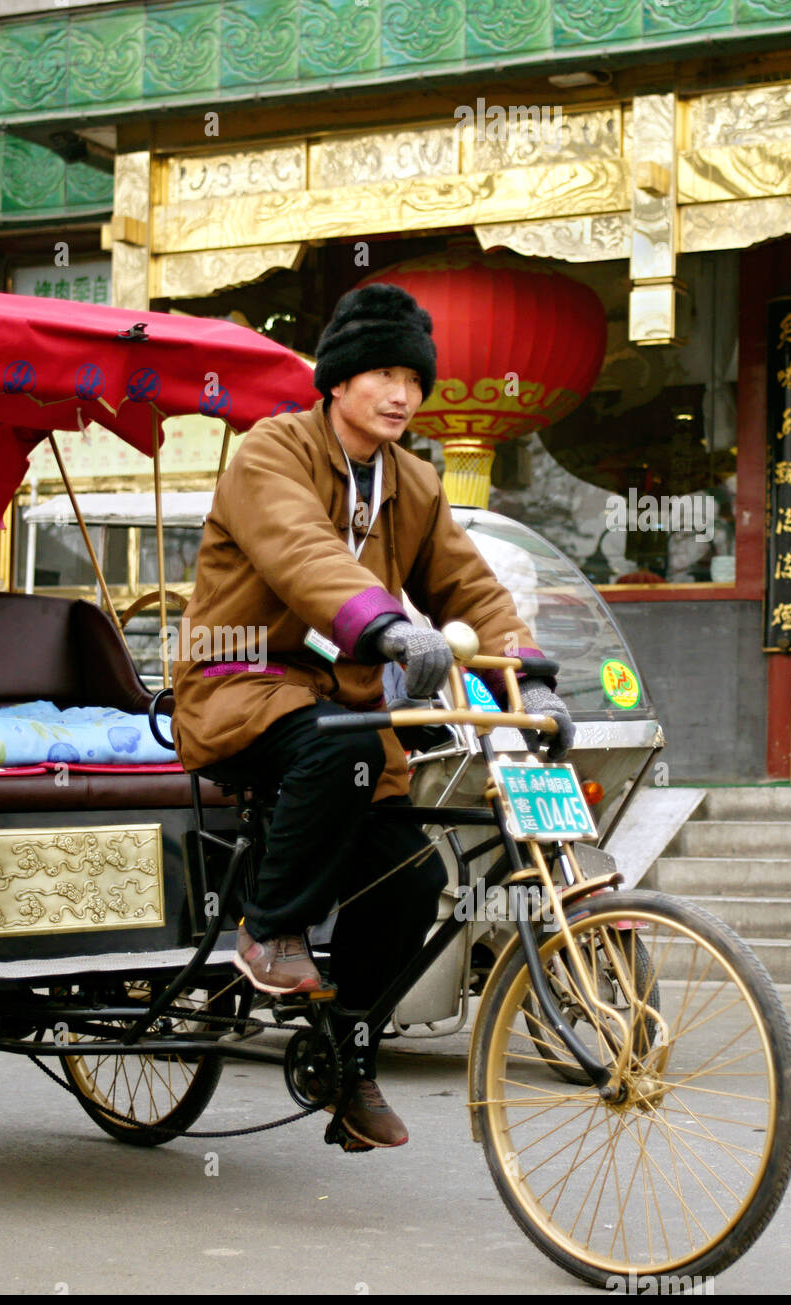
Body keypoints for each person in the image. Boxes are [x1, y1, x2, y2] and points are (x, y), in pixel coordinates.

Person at [171, 282, 573, 1151]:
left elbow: (470, 587)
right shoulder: (268, 454)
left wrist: (529, 680)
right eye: (384, 373)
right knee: (334, 752)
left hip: (344, 700)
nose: (402, 394)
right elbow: (301, 553)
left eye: (414, 380)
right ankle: (268, 928)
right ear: (338, 382)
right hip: (244, 678)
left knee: (415, 878)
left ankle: (348, 1058)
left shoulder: (414, 482)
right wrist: (386, 627)